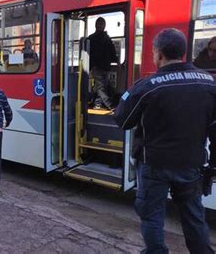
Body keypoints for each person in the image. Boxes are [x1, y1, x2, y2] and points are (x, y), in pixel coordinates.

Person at [114, 28, 215, 254]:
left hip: (154, 165)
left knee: (152, 216)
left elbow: (122, 119)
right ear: (183, 52)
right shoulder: (209, 83)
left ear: (159, 54)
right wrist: (213, 166)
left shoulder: (148, 85)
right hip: (191, 165)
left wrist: (129, 93)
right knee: (194, 217)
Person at [88, 17, 118, 110]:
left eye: (102, 24)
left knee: (102, 86)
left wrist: (116, 61)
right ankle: (109, 104)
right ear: (96, 25)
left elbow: (112, 52)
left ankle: (98, 103)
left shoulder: (95, 38)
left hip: (104, 66)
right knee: (101, 87)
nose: (101, 26)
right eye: (99, 24)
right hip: (98, 67)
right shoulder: (97, 38)